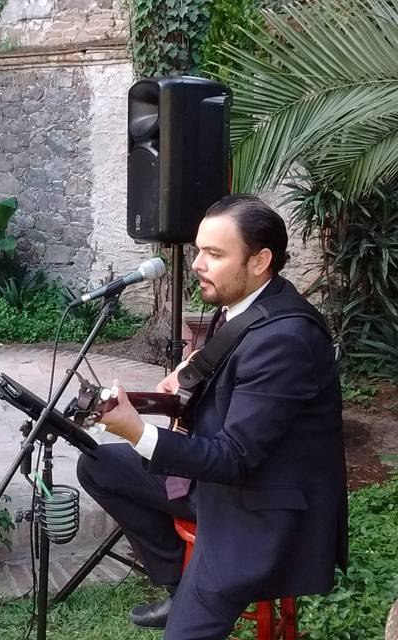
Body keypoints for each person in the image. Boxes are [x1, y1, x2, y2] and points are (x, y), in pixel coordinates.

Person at [75, 194, 347, 639]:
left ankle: (193, 599)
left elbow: (234, 459)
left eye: (214, 254)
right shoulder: (246, 303)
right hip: (215, 485)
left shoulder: (286, 338)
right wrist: (189, 377)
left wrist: (138, 432)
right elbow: (236, 378)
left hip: (257, 508)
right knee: (99, 464)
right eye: (199, 249)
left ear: (260, 261)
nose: (198, 263)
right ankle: (179, 582)